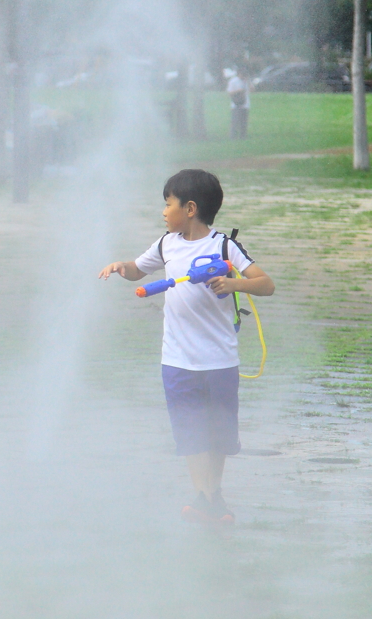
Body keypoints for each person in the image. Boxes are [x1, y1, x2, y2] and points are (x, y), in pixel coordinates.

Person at [98, 169, 274, 524]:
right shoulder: (167, 244)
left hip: (219, 359)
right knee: (191, 433)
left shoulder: (224, 246)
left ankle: (213, 494)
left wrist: (233, 284)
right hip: (177, 359)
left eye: (168, 204)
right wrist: (121, 267)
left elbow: (266, 284)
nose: (164, 212)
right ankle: (204, 497)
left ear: (190, 208)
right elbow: (138, 270)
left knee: (219, 433)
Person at [226, 66, 251, 139]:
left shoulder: (246, 81)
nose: (243, 76)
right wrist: (238, 91)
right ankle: (233, 136)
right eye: (242, 74)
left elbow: (252, 90)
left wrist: (248, 82)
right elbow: (230, 92)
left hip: (245, 104)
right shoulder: (233, 81)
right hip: (236, 104)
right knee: (235, 122)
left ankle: (243, 136)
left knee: (244, 122)